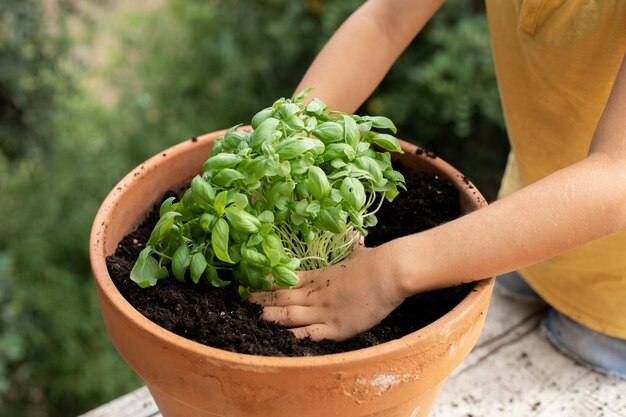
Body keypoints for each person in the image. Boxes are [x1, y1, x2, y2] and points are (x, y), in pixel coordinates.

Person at [249, 0, 626, 378]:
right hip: (530, 221)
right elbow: (387, 18)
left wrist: (387, 272)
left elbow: (617, 178)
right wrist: (288, 141)